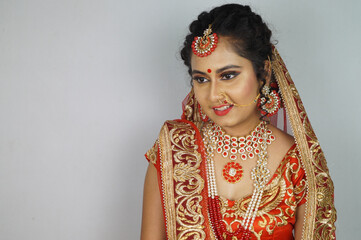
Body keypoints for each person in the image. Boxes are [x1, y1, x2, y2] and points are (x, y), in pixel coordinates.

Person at [141, 4, 336, 240]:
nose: (213, 95)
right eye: (201, 79)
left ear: (263, 74)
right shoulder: (173, 150)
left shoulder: (300, 163)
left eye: (228, 76)